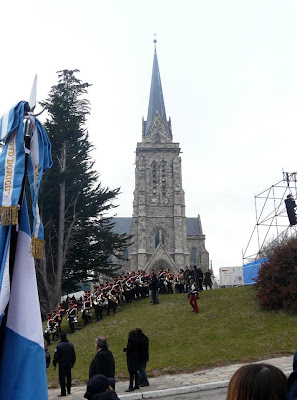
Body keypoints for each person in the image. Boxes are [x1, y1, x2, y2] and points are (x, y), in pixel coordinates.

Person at [53, 332, 76, 397]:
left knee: (62, 378)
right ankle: (69, 390)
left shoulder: (59, 346)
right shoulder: (70, 345)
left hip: (62, 364)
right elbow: (73, 355)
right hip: (69, 364)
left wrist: (54, 364)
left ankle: (63, 392)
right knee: (69, 377)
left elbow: (56, 356)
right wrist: (73, 363)